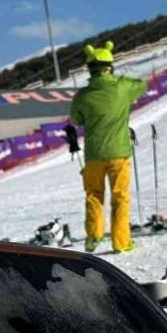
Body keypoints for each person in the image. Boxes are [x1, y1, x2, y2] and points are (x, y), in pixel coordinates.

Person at [69, 41, 146, 253]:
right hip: (119, 153)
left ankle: (93, 237)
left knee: (94, 195)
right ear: (110, 67)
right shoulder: (122, 87)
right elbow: (142, 84)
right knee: (120, 197)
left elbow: (76, 120)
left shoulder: (82, 96)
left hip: (94, 154)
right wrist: (118, 80)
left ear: (89, 69)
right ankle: (121, 242)